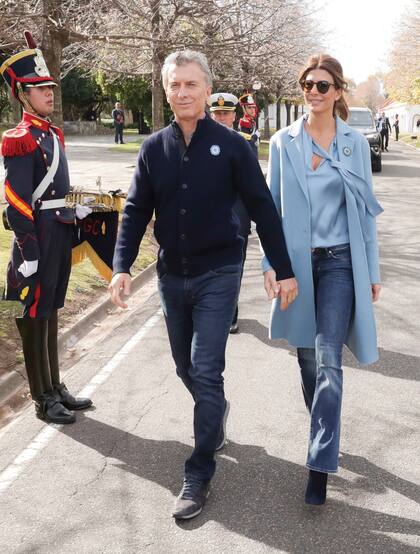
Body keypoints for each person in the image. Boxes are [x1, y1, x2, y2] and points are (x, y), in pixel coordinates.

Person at [109, 50, 298, 520]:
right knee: (184, 367)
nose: (182, 93)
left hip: (219, 271)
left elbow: (262, 207)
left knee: (205, 368)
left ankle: (198, 472)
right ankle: (215, 412)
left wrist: (284, 266)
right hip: (172, 274)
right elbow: (135, 210)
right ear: (166, 89)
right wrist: (121, 266)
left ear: (206, 89)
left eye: (191, 84)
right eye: (174, 85)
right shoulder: (154, 147)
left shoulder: (233, 146)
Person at [262, 53, 383, 505]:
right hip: (296, 266)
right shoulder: (282, 142)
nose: (313, 92)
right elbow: (269, 210)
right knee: (309, 362)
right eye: (308, 85)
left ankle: (319, 461)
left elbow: (367, 215)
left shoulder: (354, 143)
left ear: (338, 91)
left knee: (329, 358)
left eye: (323, 85)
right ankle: (324, 428)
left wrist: (370, 270)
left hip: (339, 264)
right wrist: (271, 265)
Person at [0, 32, 92, 424]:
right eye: (40, 88)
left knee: (52, 310)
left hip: (57, 231)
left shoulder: (51, 133)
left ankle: (56, 386)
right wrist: (30, 253)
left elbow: (55, 190)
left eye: (50, 86)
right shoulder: (19, 139)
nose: (50, 93)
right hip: (35, 238)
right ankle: (42, 398)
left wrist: (77, 211)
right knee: (34, 314)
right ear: (23, 93)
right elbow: (16, 202)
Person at [208, 91, 251, 333]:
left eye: (225, 114)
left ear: (234, 116)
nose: (220, 118)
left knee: (235, 266)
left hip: (236, 216)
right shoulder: (195, 140)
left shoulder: (244, 142)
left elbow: (252, 186)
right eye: (216, 114)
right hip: (206, 217)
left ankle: (230, 311)